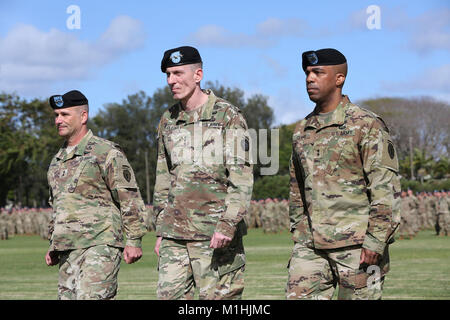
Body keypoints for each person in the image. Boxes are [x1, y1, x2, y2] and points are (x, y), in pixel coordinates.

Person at [286, 48, 401, 300]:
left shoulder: (366, 124)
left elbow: (385, 189)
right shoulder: (302, 130)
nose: (309, 78)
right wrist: (299, 232)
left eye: (318, 72)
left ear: (339, 79)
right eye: (307, 73)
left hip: (358, 248)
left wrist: (375, 241)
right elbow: (297, 188)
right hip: (311, 247)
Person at [153, 46, 253, 300]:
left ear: (198, 75)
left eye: (177, 73)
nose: (171, 81)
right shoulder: (168, 120)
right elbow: (164, 177)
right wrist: (161, 229)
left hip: (214, 235)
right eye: (167, 75)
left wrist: (228, 224)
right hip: (174, 236)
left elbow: (241, 178)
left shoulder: (227, 116)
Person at [45, 90, 147, 300]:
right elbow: (57, 205)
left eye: (65, 115)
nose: (58, 120)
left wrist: (134, 239)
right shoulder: (57, 161)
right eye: (56, 115)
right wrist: (52, 244)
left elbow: (128, 197)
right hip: (67, 248)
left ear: (83, 117)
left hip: (100, 244)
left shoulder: (105, 152)